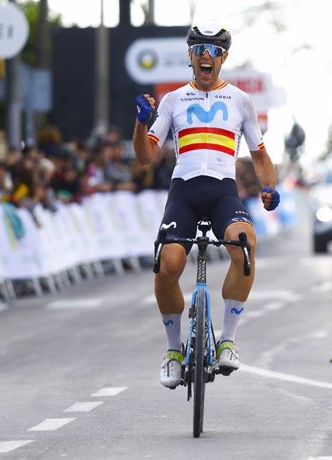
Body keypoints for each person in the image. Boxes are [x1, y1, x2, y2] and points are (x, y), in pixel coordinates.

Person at [132, 23, 281, 389]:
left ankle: (227, 338)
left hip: (222, 193)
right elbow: (145, 157)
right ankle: (172, 351)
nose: (206, 56)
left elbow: (260, 155)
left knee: (245, 244)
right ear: (190, 55)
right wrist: (139, 124)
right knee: (167, 266)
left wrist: (269, 187)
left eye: (215, 51)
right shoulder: (173, 100)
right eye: (199, 49)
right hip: (183, 192)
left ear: (224, 58)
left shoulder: (241, 101)